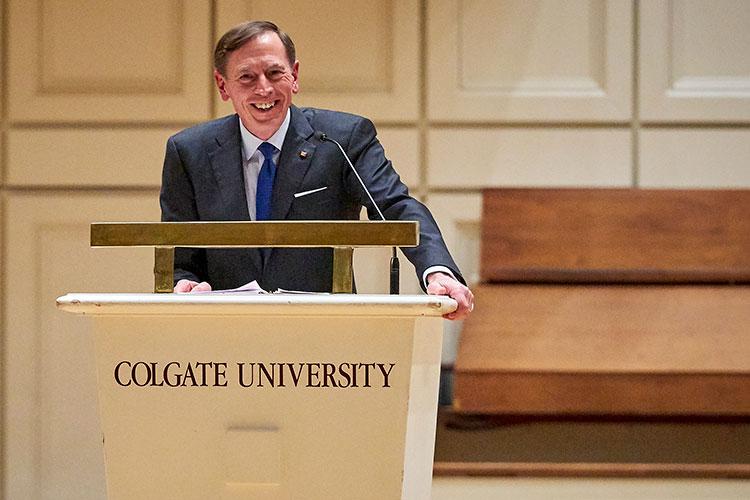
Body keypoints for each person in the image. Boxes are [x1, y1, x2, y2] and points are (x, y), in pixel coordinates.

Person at [160, 20, 474, 320]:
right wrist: (184, 284)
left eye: (274, 72)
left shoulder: (343, 138)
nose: (264, 88)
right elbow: (181, 257)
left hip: (328, 336)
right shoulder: (189, 151)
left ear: (294, 75)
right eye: (247, 77)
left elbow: (395, 206)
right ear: (222, 85)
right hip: (223, 335)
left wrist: (437, 270)